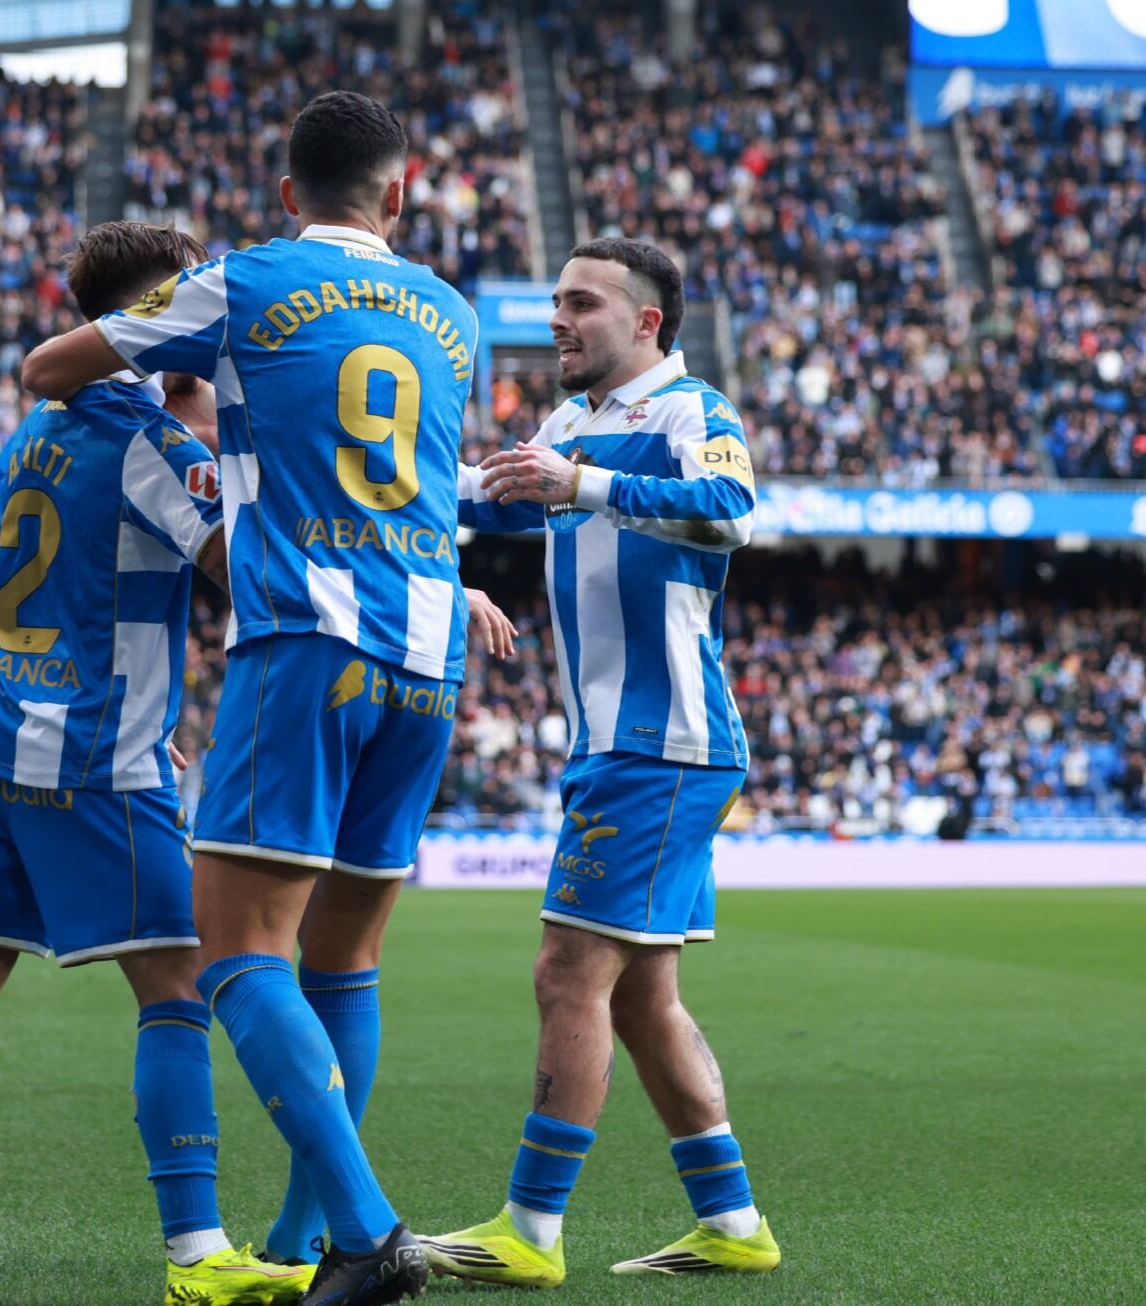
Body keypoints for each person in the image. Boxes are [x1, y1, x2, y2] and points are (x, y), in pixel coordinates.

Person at [24, 91, 515, 1306]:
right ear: (399, 195)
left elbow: (52, 365)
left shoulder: (240, 278)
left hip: (301, 642)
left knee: (239, 949)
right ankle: (303, 1244)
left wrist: (161, 336)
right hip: (423, 659)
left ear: (288, 192)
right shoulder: (454, 318)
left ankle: (365, 1229)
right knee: (346, 960)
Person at [0, 220, 313, 1306]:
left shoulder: (30, 431)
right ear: (155, 314)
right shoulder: (150, 439)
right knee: (176, 987)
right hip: (100, 754)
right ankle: (196, 1255)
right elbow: (242, 573)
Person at [424, 238, 780, 1285]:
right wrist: (391, 479)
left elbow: (733, 512)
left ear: (646, 322)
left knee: (566, 973)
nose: (558, 320)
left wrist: (577, 483)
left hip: (659, 740)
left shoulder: (690, 411)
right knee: (638, 996)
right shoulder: (572, 419)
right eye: (554, 302)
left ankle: (528, 1231)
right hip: (620, 744)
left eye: (580, 302)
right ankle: (732, 1219)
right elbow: (500, 490)